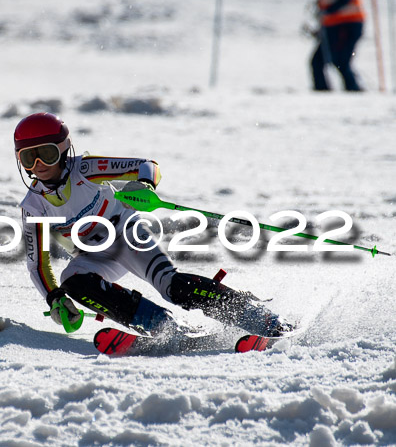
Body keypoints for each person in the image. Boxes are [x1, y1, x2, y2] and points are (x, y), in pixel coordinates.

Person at [15, 112, 293, 343]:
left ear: (63, 150)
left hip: (125, 234)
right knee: (73, 282)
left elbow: (146, 166)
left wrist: (145, 185)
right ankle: (164, 328)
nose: (39, 165)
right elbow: (37, 264)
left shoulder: (85, 170)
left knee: (170, 286)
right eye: (29, 158)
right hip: (93, 255)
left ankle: (255, 314)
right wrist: (55, 299)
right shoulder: (33, 206)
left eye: (46, 155)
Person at [310, 0, 365, 91]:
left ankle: (352, 89)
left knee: (340, 61)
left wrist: (328, 10)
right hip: (335, 24)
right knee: (321, 61)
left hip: (346, 23)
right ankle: (324, 91)